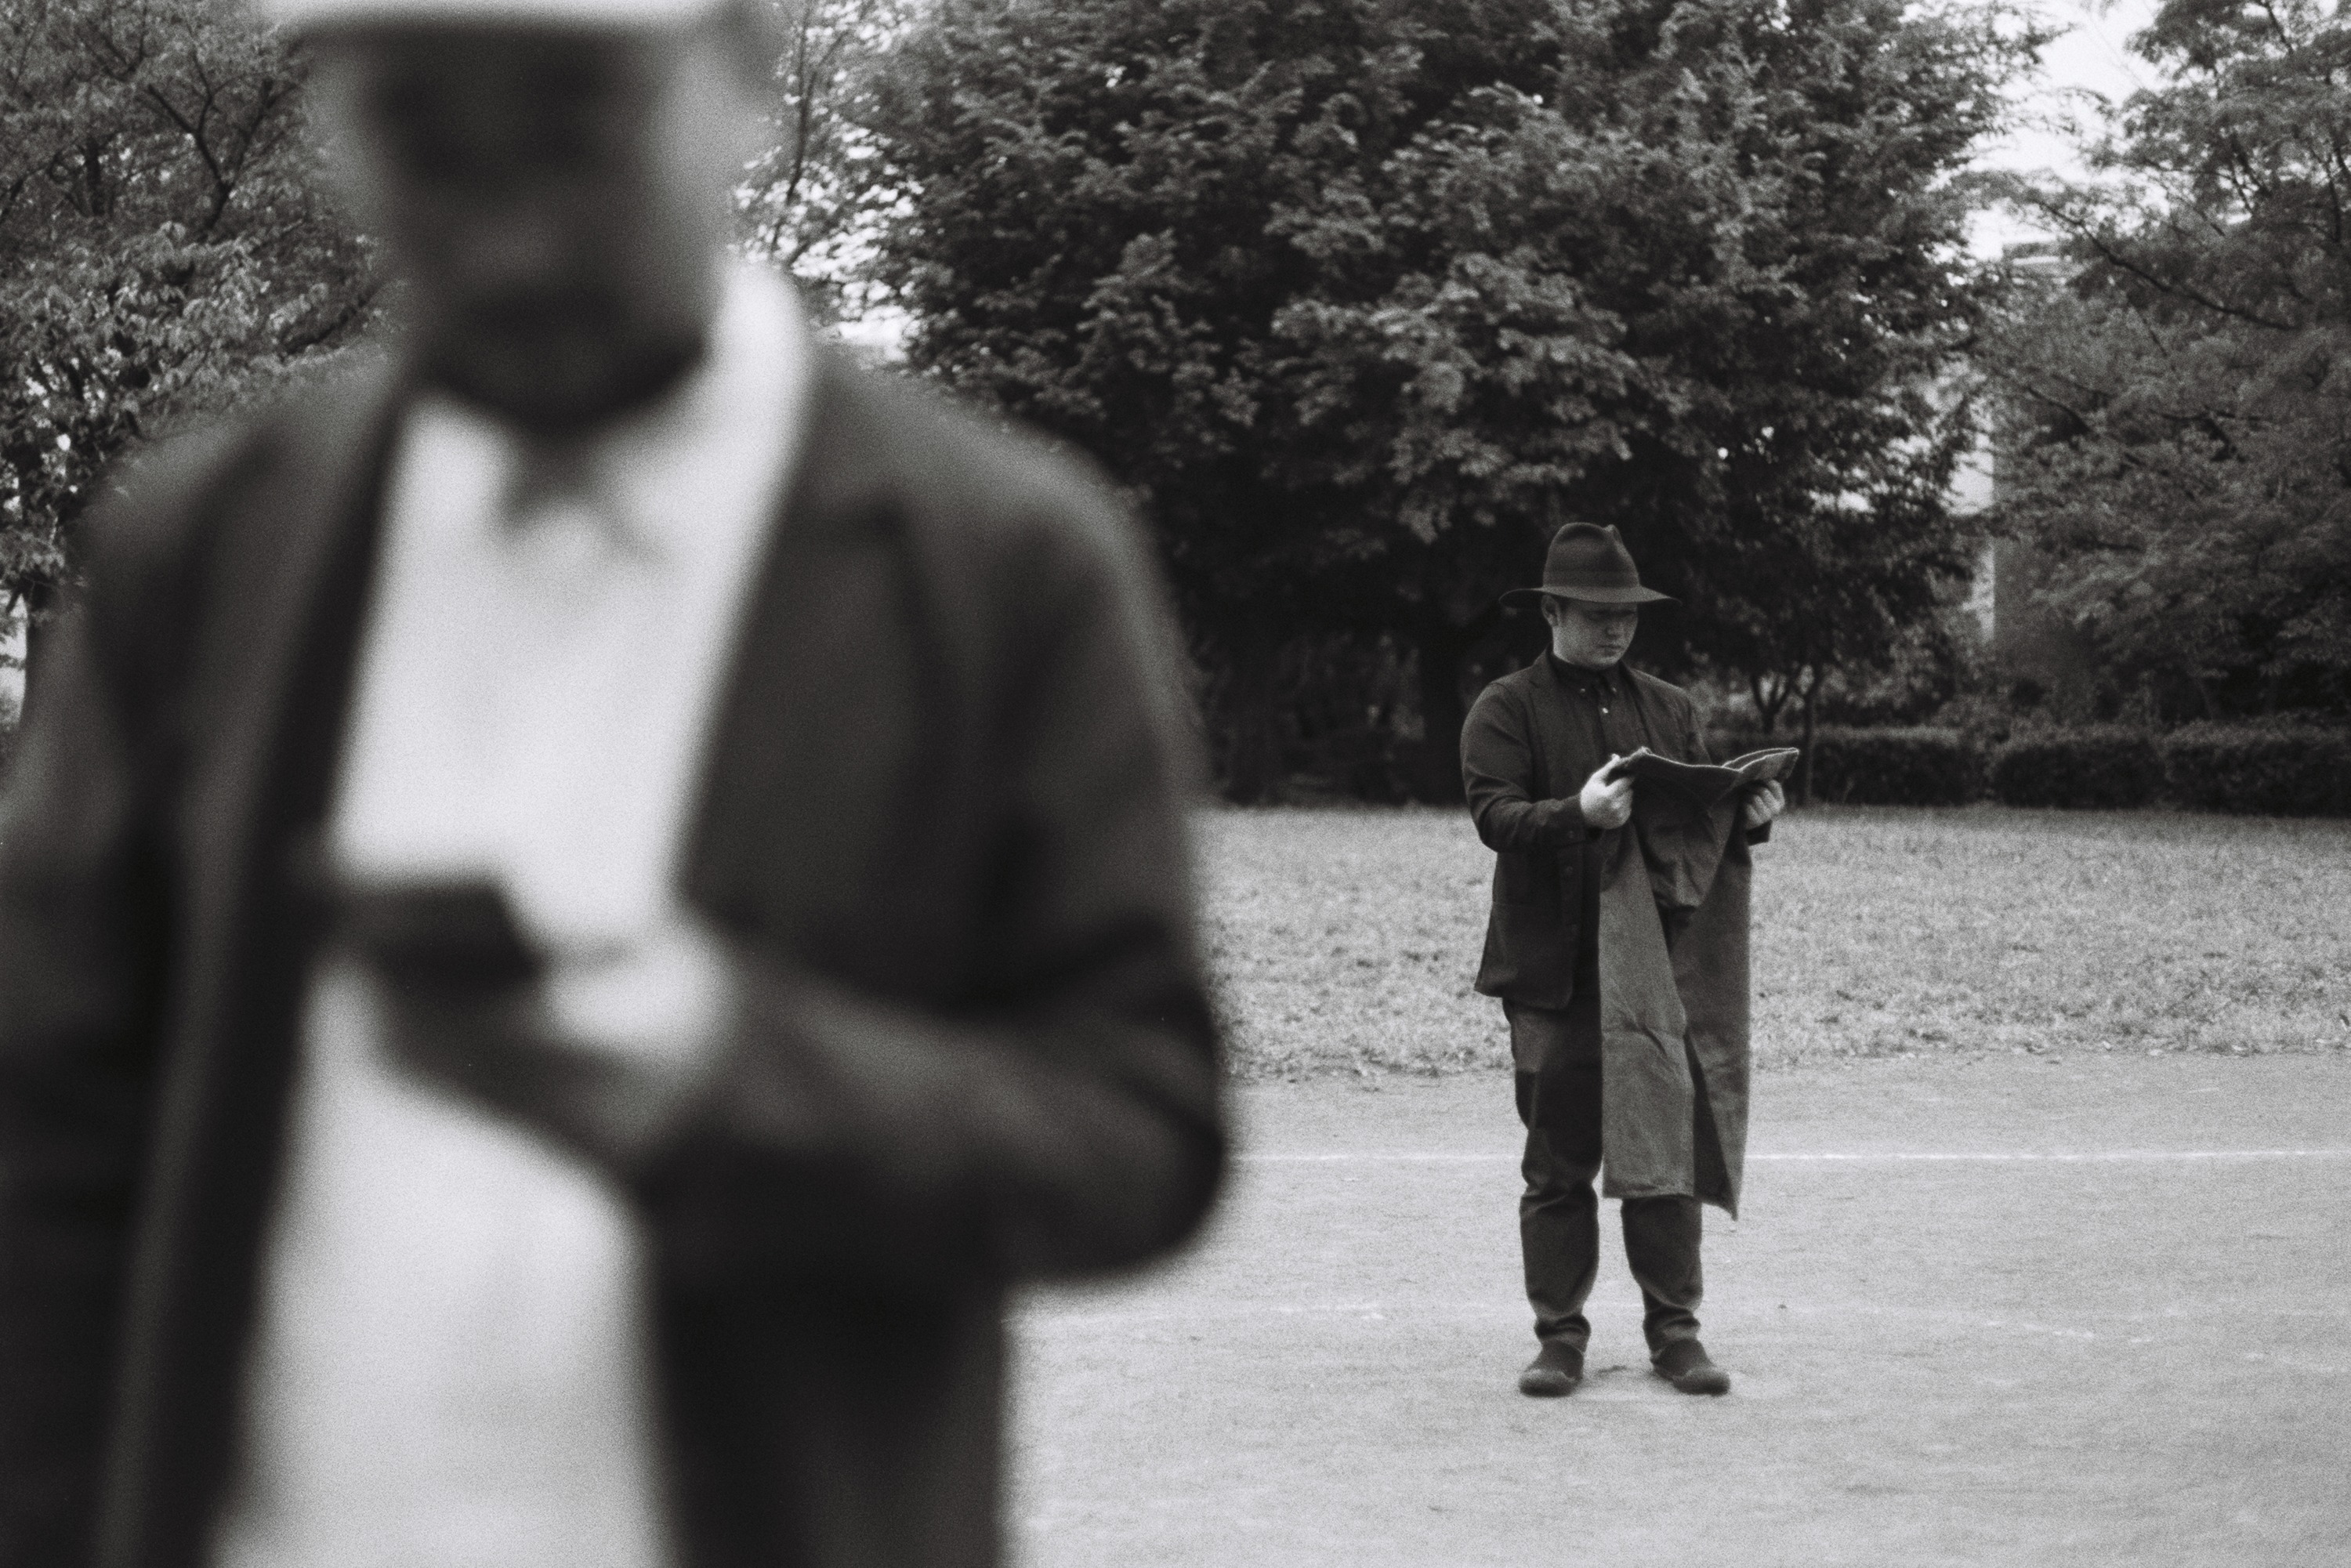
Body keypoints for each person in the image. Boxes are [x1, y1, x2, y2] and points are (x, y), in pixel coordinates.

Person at [0, 1, 1224, 1565]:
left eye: (572, 113)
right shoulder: (206, 546)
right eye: (420, 128)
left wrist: (737, 1080)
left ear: (747, 66)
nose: (504, 225)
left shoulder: (1003, 565)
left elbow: (1139, 1128)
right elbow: (51, 1132)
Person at [1460, 522, 1784, 1400]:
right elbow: (1494, 817)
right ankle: (1559, 1338)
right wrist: (1578, 813)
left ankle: (1676, 1333)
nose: (1616, 629)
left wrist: (1748, 817)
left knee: (1663, 1151)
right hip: (1549, 973)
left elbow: (1692, 828)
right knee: (1556, 1165)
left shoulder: (1669, 707)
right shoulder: (1506, 707)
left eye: (1628, 615)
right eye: (1598, 614)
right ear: (1552, 612)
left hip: (1652, 968)